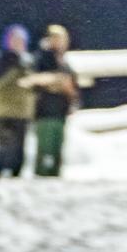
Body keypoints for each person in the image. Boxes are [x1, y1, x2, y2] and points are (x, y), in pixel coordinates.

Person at [0, 23, 36, 179]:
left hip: (22, 112)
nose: (18, 43)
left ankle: (16, 177)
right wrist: (15, 68)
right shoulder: (0, 58)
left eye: (21, 40)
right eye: (15, 39)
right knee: (6, 146)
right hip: (3, 111)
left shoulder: (29, 61)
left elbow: (33, 84)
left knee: (20, 148)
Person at [31, 23, 79, 177]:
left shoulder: (65, 62)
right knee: (45, 150)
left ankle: (55, 178)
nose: (59, 42)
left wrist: (72, 101)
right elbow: (34, 79)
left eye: (62, 39)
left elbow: (72, 85)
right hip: (45, 111)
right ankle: (40, 177)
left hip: (60, 111)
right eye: (56, 38)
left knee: (57, 150)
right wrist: (58, 81)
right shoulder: (42, 58)